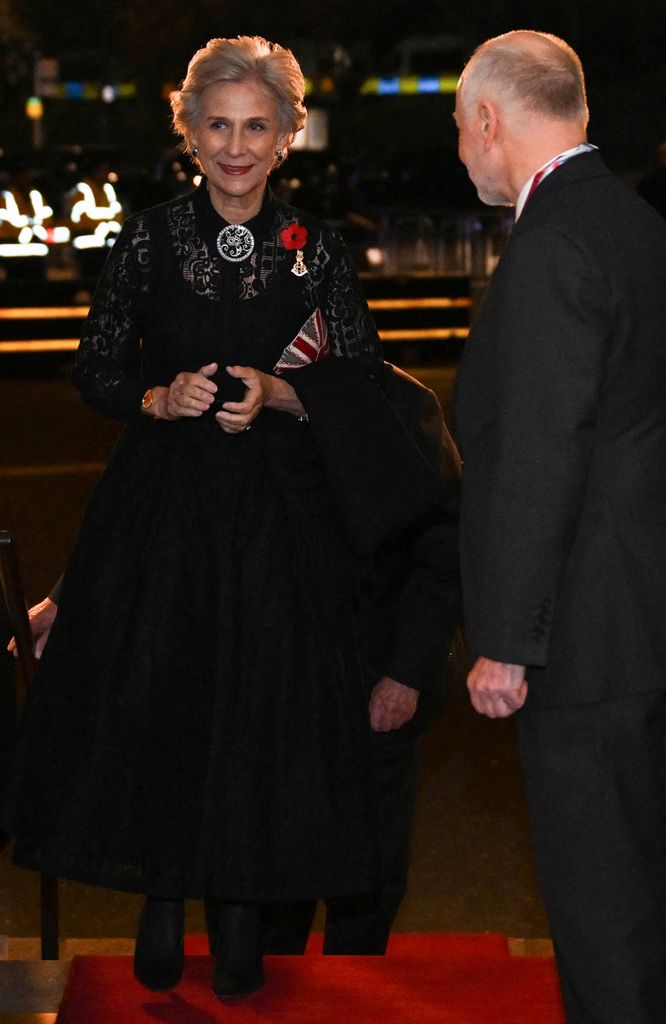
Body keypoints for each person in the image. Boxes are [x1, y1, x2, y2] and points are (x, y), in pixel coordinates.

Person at [2, 36, 448, 1001]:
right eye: (219, 126)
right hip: (163, 512)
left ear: (288, 137)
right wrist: (156, 397)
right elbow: (96, 368)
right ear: (189, 133)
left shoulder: (318, 249)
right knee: (167, 704)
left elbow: (360, 380)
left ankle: (239, 910)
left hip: (282, 523)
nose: (236, 147)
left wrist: (283, 398)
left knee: (263, 716)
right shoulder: (149, 239)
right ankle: (165, 892)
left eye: (258, 127)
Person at [9, 361, 464, 957]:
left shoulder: (399, 403)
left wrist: (405, 673)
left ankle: (357, 992)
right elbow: (147, 511)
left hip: (369, 673)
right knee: (259, 864)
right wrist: (64, 604)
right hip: (261, 670)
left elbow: (440, 548)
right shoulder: (219, 386)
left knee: (368, 871)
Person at [452, 30, 666, 1024]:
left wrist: (505, 639)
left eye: (461, 129)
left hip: (583, 638)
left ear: (491, 120)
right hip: (642, 618)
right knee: (644, 897)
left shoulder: (551, 245)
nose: (462, 152)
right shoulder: (635, 223)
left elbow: (542, 454)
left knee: (603, 911)